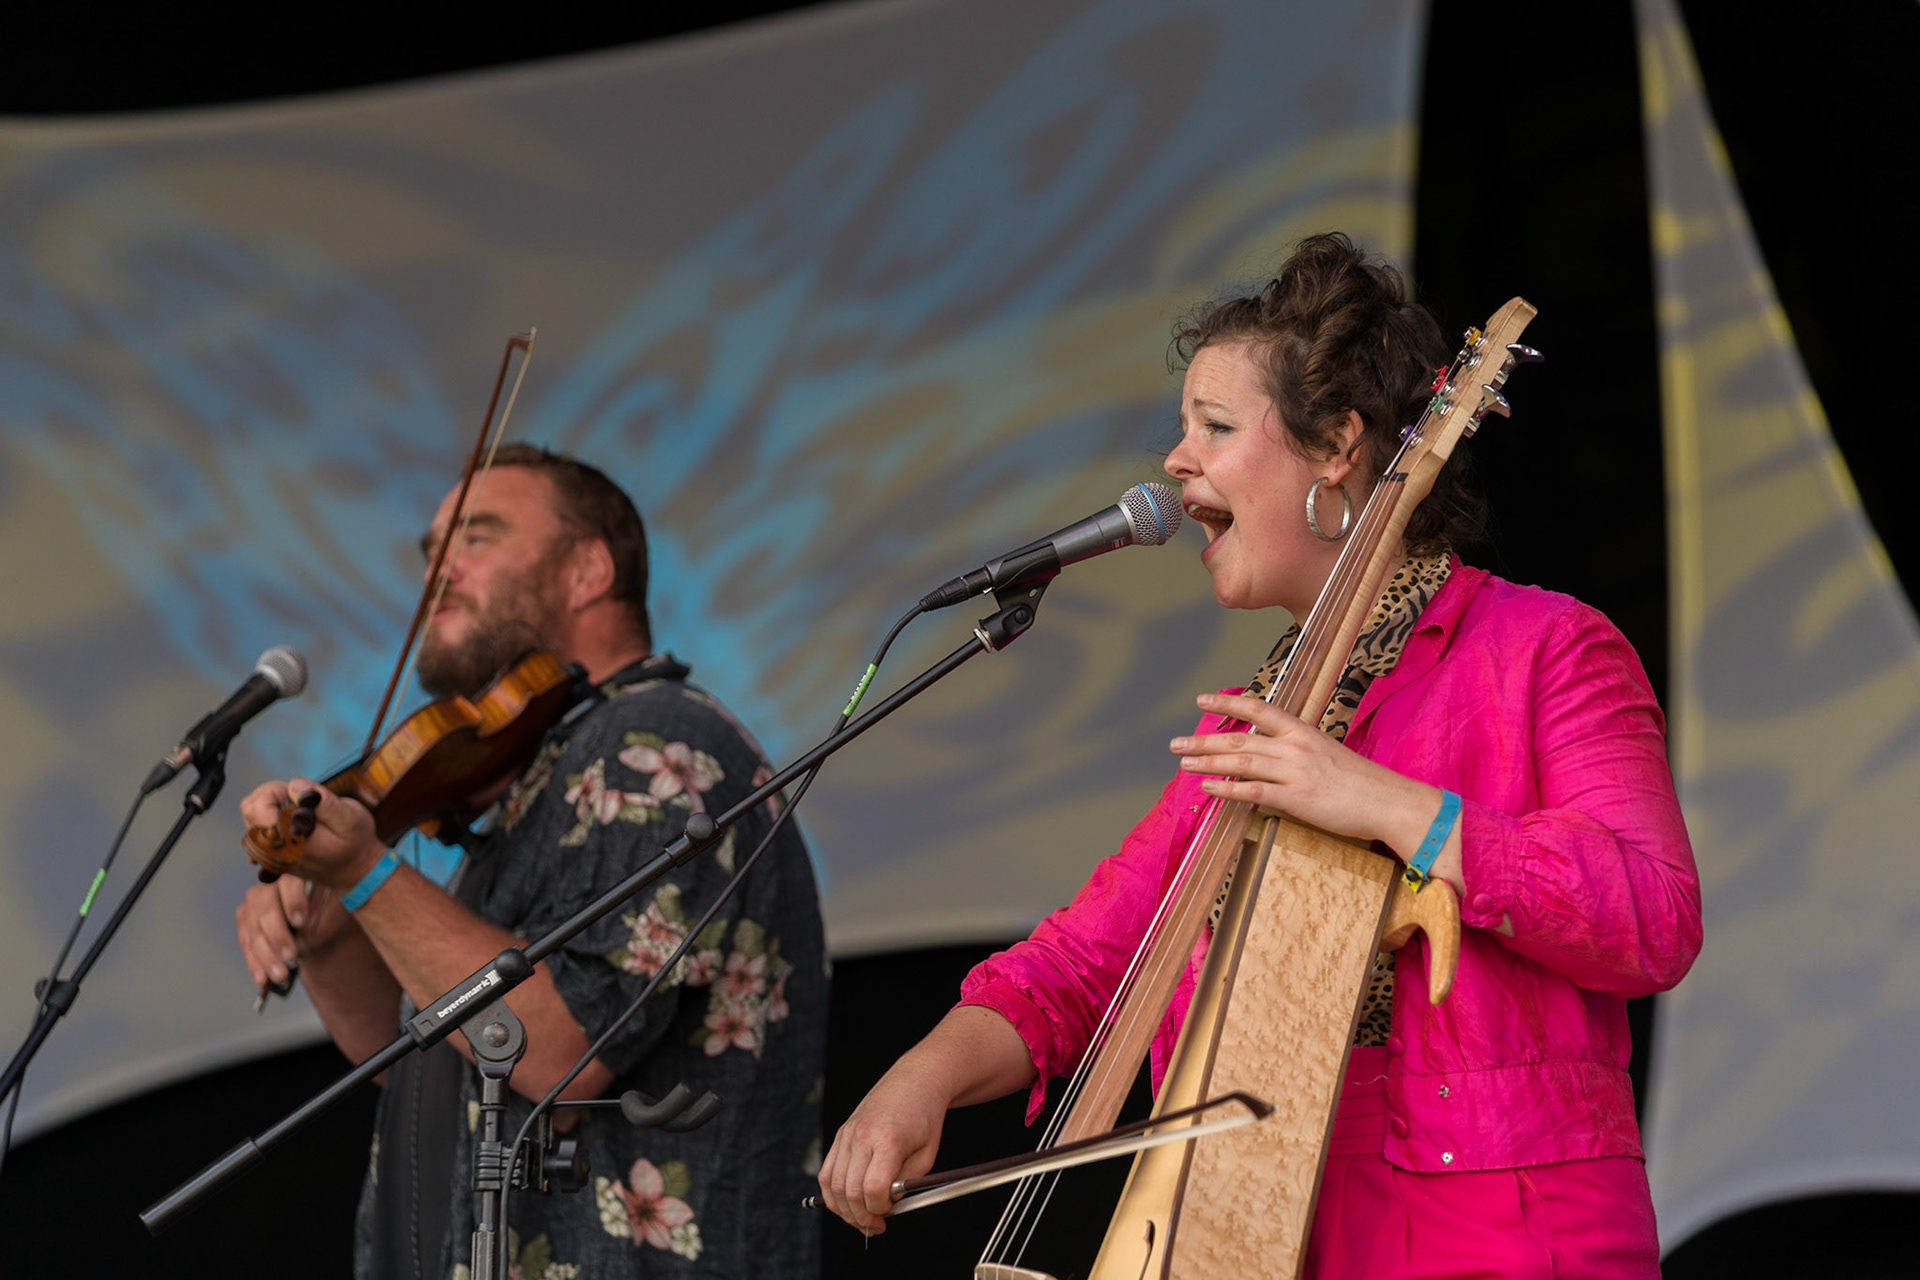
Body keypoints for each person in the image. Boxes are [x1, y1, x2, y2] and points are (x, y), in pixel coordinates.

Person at [816, 233, 1701, 1277]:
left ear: (1337, 447)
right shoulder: (1255, 726)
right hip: (1268, 1231)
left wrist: (1386, 802)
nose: (1176, 460)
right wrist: (920, 1073)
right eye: (1182, 429)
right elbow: (1084, 963)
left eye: (1216, 427)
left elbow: (1653, 915)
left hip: (1505, 1235)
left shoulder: (1545, 646)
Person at [235, 444, 827, 1280]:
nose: (438, 571)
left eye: (475, 537)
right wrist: (337, 922)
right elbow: (440, 1058)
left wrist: (368, 872)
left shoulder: (656, 742)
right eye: (431, 550)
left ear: (588, 570)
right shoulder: (532, 776)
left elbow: (559, 1050)